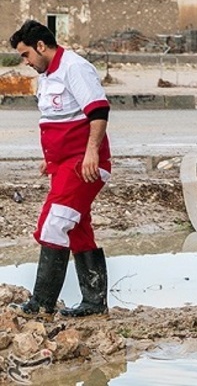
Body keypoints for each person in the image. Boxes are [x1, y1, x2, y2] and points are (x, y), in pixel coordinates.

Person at [8, 20, 111, 319]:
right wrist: (50, 158)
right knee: (77, 229)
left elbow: (98, 110)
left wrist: (92, 151)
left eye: (26, 54)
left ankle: (41, 304)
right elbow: (59, 119)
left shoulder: (74, 68)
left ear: (41, 46)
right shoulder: (47, 75)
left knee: (54, 223)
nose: (25, 62)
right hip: (64, 165)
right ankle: (94, 304)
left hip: (84, 165)